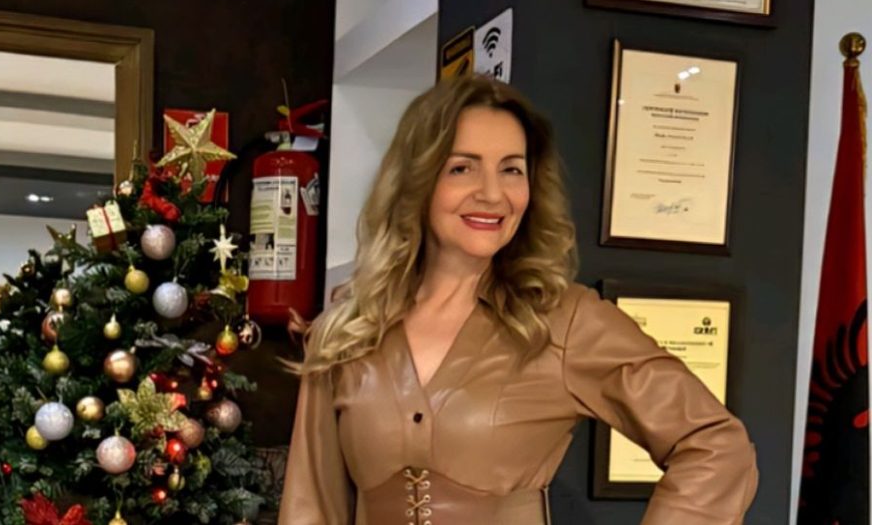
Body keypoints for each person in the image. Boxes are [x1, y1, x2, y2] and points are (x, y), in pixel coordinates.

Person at [279, 74, 758, 525]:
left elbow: (716, 445)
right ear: (417, 181)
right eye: (462, 168)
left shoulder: (566, 321)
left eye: (511, 169)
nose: (492, 194)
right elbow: (309, 508)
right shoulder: (348, 328)